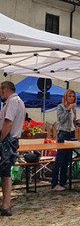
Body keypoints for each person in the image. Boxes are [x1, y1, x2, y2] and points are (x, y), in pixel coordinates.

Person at [0, 81, 25, 217]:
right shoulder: (18, 101)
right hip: (11, 140)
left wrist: (0, 139)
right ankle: (6, 204)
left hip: (7, 140)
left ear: (5, 90)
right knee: (5, 173)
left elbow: (8, 123)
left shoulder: (12, 101)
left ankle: (6, 204)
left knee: (5, 173)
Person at [51, 89, 80, 191]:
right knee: (59, 159)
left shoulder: (74, 109)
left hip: (71, 134)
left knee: (67, 159)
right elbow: (61, 120)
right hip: (63, 134)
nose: (71, 98)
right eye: (70, 96)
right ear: (66, 97)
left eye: (73, 96)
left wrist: (77, 123)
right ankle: (54, 183)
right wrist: (68, 109)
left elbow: (72, 122)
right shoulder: (61, 107)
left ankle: (63, 182)